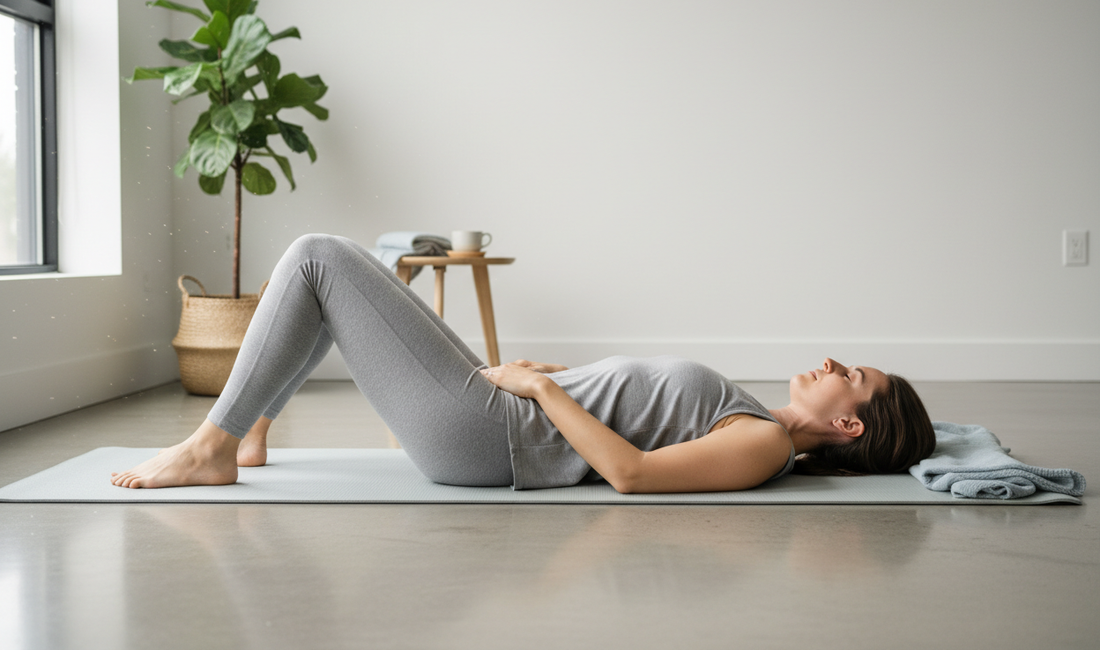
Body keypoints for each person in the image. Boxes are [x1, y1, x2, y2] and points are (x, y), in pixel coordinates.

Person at [110, 234, 935, 492]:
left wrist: (542, 387)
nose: (832, 362)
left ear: (847, 422)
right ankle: (247, 433)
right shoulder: (757, 417)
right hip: (511, 413)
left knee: (318, 259)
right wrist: (563, 377)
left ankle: (214, 444)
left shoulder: (765, 443)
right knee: (332, 286)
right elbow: (638, 406)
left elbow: (634, 474)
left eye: (850, 373)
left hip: (495, 434)